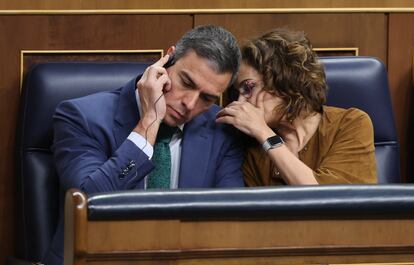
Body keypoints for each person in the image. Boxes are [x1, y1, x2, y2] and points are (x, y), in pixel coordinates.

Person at [44, 25, 244, 264]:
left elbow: (231, 221)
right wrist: (149, 121)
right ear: (166, 60)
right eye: (187, 82)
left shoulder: (221, 132)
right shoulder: (81, 117)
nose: (189, 104)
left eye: (207, 98)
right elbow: (88, 206)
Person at [216, 28, 377, 186]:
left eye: (249, 87)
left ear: (284, 80)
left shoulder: (350, 123)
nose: (240, 102)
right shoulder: (250, 146)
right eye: (237, 93)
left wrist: (265, 135)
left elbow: (330, 202)